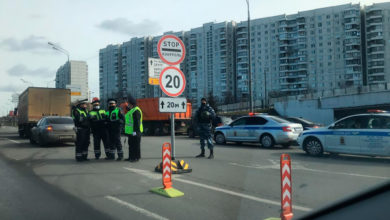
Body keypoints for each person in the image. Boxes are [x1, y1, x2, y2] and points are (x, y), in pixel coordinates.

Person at [124, 97, 143, 162]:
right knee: (131, 145)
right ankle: (131, 157)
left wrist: (135, 132)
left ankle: (136, 158)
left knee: (136, 145)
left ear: (131, 104)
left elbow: (136, 123)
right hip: (131, 132)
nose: (127, 105)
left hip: (136, 132)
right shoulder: (131, 110)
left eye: (128, 103)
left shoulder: (136, 111)